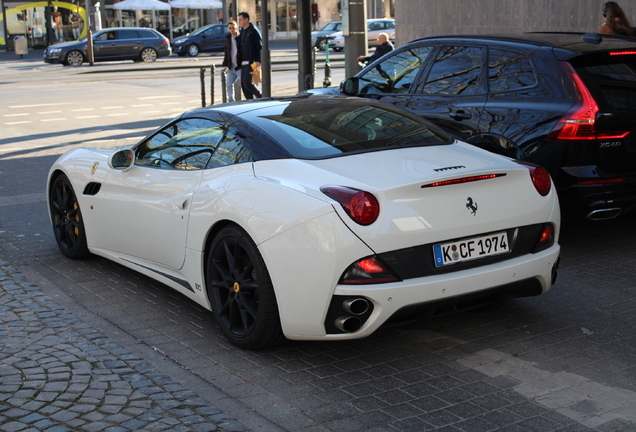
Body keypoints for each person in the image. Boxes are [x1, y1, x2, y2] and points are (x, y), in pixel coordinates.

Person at [237, 11, 262, 100]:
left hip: (252, 62)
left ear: (246, 19)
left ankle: (260, 96)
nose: (239, 22)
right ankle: (249, 101)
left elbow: (259, 46)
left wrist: (259, 60)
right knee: (243, 84)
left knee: (248, 82)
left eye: (240, 20)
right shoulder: (242, 31)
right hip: (243, 62)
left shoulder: (253, 31)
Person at [222, 20, 241, 102]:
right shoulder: (228, 39)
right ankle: (231, 101)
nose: (232, 29)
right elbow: (226, 52)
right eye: (230, 28)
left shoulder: (240, 37)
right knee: (229, 84)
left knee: (246, 84)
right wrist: (225, 63)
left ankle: (251, 99)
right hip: (231, 65)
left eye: (233, 27)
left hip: (240, 66)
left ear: (236, 27)